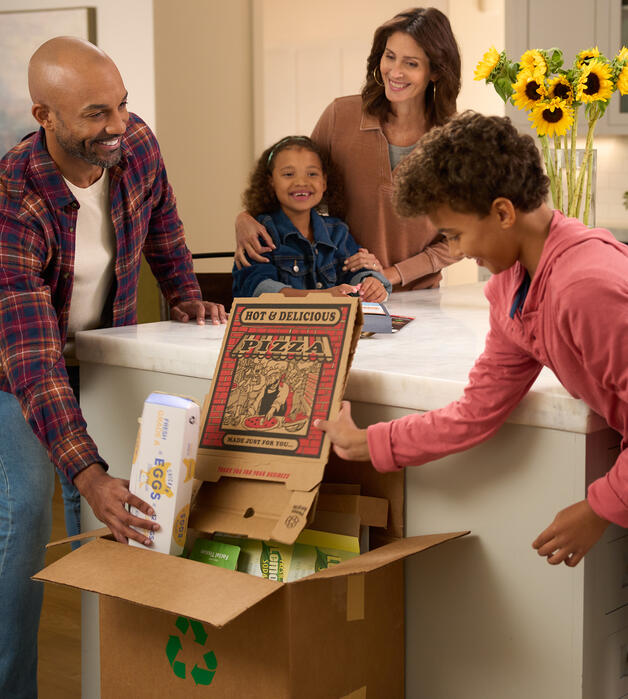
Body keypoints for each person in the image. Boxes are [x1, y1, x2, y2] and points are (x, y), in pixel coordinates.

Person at [0, 36, 226, 697]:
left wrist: (186, 293)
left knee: (104, 524)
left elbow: (164, 223)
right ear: (44, 115)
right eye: (96, 112)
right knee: (22, 522)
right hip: (17, 370)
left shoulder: (135, 144)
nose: (117, 125)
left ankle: (113, 681)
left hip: (98, 353)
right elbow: (34, 362)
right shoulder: (14, 198)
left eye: (122, 104)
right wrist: (88, 469)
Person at [315, 110, 628, 569]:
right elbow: (476, 412)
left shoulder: (585, 288)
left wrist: (599, 506)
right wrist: (370, 443)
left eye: (457, 235)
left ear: (503, 212)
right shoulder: (511, 290)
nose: (459, 252)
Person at [234, 7, 462, 291]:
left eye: (411, 63)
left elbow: (461, 239)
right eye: (389, 56)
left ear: (436, 72)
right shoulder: (340, 115)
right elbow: (299, 183)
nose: (395, 71)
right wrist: (245, 218)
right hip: (343, 295)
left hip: (419, 298)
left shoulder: (454, 144)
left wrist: (390, 275)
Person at [232, 135, 391, 301]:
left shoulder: (337, 231)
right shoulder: (260, 233)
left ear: (324, 182)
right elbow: (258, 289)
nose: (301, 182)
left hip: (330, 325)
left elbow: (357, 271)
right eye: (288, 174)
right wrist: (324, 297)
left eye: (312, 174)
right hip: (276, 326)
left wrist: (371, 283)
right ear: (271, 182)